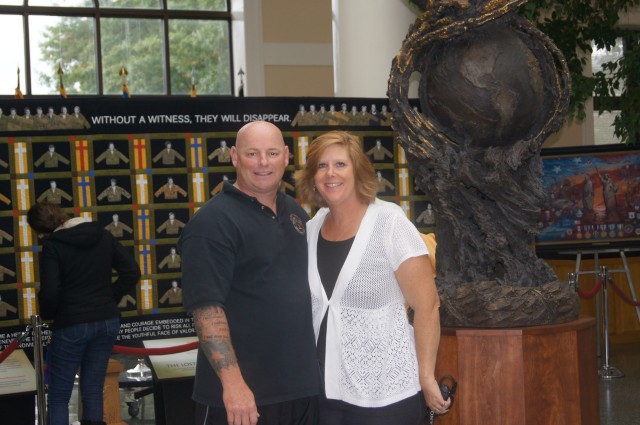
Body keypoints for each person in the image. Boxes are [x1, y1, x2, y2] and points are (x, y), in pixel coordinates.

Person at [294, 131, 449, 425]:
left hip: (386, 397)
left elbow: (428, 306)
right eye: (322, 166)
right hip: (325, 396)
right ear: (312, 177)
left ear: (358, 171)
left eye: (340, 164)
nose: (330, 174)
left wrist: (426, 376)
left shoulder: (389, 223)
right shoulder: (311, 229)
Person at [178, 121, 320, 425]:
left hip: (301, 390)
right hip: (243, 401)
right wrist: (233, 386)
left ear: (285, 156)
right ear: (234, 156)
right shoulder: (211, 224)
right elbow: (207, 310)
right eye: (252, 153)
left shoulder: (294, 211)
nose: (263, 163)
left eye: (271, 153)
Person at [27, 201, 140, 425]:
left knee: (59, 395)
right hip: (107, 319)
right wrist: (110, 298)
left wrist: (52, 314)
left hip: (71, 322)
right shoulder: (102, 234)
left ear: (39, 229)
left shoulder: (52, 246)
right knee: (93, 388)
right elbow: (132, 271)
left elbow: (50, 291)